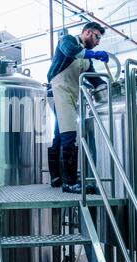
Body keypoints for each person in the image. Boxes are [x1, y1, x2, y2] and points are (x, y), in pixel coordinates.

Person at [46, 22, 108, 193]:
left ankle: (57, 178)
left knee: (60, 135)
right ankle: (70, 182)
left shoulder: (87, 57)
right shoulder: (68, 40)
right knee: (69, 134)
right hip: (57, 90)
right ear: (87, 32)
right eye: (97, 37)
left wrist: (108, 85)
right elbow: (70, 52)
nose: (98, 42)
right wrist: (95, 54)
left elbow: (93, 77)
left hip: (70, 94)